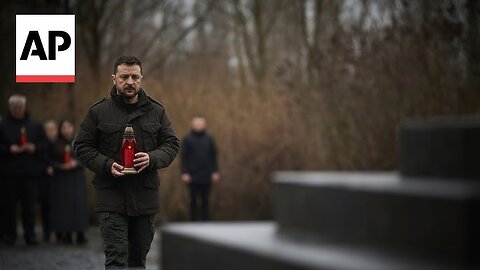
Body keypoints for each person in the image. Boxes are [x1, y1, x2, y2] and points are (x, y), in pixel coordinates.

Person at [74, 56, 179, 269]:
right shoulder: (98, 111)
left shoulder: (156, 111)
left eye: (134, 77)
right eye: (124, 77)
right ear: (114, 79)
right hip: (111, 196)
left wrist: (152, 158)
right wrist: (106, 164)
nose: (129, 82)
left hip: (145, 198)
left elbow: (172, 144)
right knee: (116, 258)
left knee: (138, 261)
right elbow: (82, 146)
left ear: (141, 79)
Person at [0, 95, 47, 245]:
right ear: (10, 108)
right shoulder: (3, 125)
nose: (17, 110)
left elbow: (45, 144)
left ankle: (30, 234)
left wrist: (34, 147)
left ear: (24, 107)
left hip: (30, 173)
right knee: (9, 206)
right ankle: (9, 235)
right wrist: (9, 148)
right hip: (9, 173)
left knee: (29, 206)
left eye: (20, 107)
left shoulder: (35, 124)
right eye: (14, 107)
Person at [50, 120, 88, 244]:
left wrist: (75, 163)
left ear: (73, 128)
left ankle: (80, 232)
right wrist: (61, 166)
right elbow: (50, 161)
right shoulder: (56, 144)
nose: (66, 130)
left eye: (69, 127)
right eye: (64, 127)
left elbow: (86, 158)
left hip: (76, 178)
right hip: (62, 180)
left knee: (78, 207)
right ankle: (65, 233)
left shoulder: (79, 142)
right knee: (64, 208)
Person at [181, 116, 220, 221]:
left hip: (207, 174)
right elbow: (184, 157)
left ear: (204, 124)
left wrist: (215, 171)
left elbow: (214, 156)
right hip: (192, 175)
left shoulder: (209, 139)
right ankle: (193, 223)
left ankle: (206, 223)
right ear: (192, 125)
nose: (198, 125)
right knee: (193, 201)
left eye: (200, 123)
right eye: (196, 123)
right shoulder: (187, 139)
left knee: (206, 200)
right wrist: (184, 173)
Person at [38, 119, 58, 242]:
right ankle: (46, 232)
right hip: (44, 180)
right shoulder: (40, 145)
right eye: (48, 130)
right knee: (45, 207)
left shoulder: (60, 143)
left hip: (59, 181)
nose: (51, 132)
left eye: (53, 129)